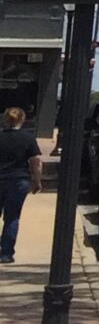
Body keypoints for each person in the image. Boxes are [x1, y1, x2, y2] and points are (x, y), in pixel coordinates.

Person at [0, 106, 40, 265]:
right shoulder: (28, 138)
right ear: (22, 120)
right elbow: (35, 162)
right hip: (19, 180)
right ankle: (6, 254)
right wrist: (37, 181)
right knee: (12, 217)